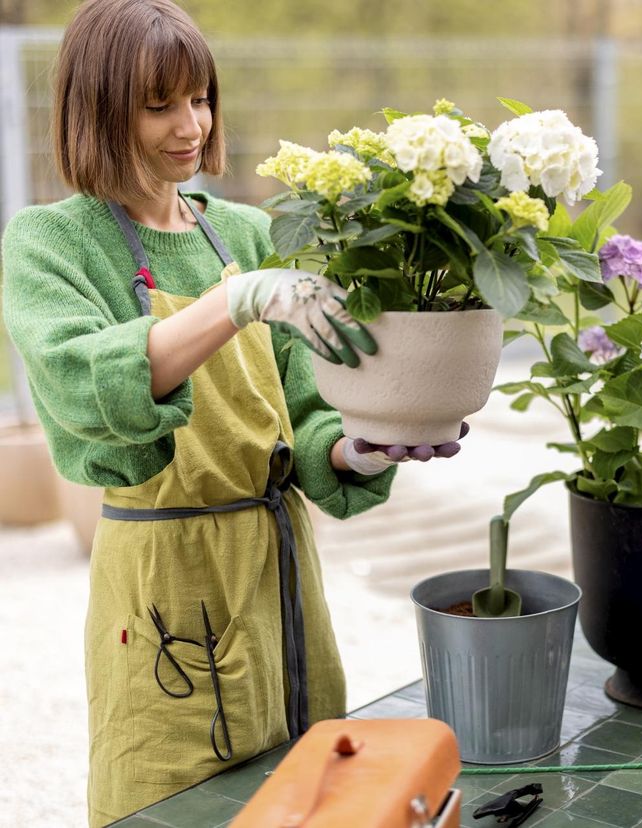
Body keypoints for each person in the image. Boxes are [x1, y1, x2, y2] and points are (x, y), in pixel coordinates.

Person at [0, 1, 465, 824]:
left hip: (278, 568)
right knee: (172, 797)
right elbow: (80, 387)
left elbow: (305, 408)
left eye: (200, 97)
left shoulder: (246, 232)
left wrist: (360, 448)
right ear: (97, 107)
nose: (191, 124)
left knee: (310, 788)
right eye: (159, 104)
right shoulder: (50, 244)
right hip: (164, 582)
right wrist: (236, 301)